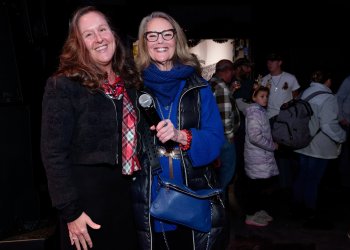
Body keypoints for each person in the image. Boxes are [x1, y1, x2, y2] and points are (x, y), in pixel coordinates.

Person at [40, 6, 141, 250]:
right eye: (88, 34)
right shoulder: (63, 85)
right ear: (78, 44)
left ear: (113, 34)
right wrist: (71, 213)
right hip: (86, 202)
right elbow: (53, 155)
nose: (99, 39)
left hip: (127, 197)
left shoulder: (129, 82)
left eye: (102, 29)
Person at [132, 11, 226, 250]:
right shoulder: (134, 89)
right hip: (151, 198)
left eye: (166, 33)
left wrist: (181, 136)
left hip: (193, 196)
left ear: (177, 39)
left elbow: (216, 141)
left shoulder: (199, 88)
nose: (160, 40)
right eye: (152, 35)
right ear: (144, 43)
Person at [293, 70, 346, 228]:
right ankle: (310, 213)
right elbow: (328, 125)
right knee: (313, 180)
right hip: (320, 146)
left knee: (302, 176)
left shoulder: (305, 92)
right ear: (328, 81)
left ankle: (296, 208)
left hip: (303, 142)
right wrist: (342, 136)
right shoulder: (329, 98)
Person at [261, 52, 301, 193]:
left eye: (272, 61)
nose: (269, 63)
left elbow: (297, 98)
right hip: (269, 119)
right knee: (272, 152)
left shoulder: (290, 78)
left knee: (285, 152)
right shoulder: (264, 79)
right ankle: (276, 183)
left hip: (285, 121)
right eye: (268, 61)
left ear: (280, 62)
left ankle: (287, 184)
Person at [243, 86, 279, 227]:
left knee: (259, 187)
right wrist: (272, 146)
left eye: (266, 96)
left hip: (261, 156)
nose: (265, 99)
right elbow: (255, 137)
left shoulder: (260, 112)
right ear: (254, 97)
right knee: (254, 188)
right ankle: (250, 215)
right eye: (262, 96)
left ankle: (257, 211)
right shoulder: (254, 114)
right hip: (256, 156)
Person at [209, 59, 240, 203]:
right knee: (227, 172)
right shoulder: (221, 87)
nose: (232, 75)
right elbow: (225, 116)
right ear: (227, 71)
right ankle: (219, 202)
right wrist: (230, 135)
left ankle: (217, 200)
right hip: (224, 138)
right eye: (232, 72)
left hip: (214, 136)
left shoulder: (212, 83)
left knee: (218, 171)